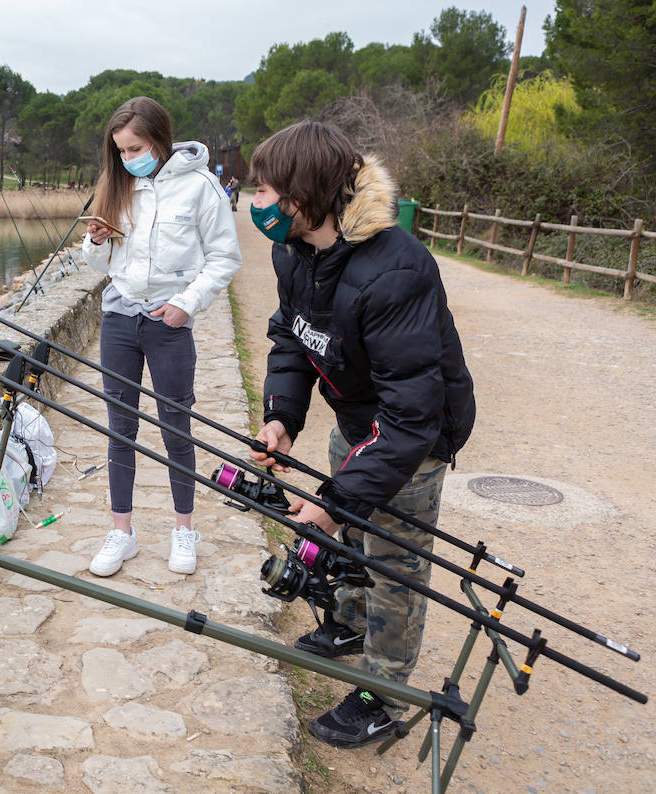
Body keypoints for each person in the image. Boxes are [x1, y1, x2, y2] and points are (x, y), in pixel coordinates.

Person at [246, 120, 475, 749]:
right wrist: (281, 418)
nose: (255, 201)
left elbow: (410, 418)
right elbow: (290, 334)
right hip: (357, 421)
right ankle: (347, 623)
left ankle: (384, 690)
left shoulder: (398, 271)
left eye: (264, 191)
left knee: (394, 561)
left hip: (413, 440)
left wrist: (333, 499)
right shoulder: (293, 250)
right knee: (348, 531)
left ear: (304, 194)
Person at [80, 96, 242, 577]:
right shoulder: (117, 186)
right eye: (121, 152)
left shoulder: (202, 187)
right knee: (119, 427)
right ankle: (122, 532)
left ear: (160, 140)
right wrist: (95, 242)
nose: (129, 159)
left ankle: (183, 529)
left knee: (175, 426)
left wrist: (185, 304)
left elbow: (224, 258)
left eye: (136, 148)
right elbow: (100, 266)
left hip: (169, 325)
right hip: (118, 320)